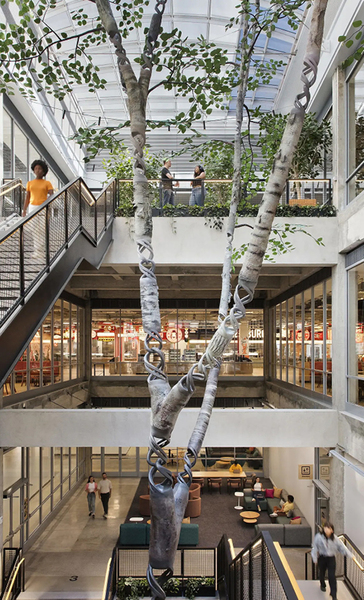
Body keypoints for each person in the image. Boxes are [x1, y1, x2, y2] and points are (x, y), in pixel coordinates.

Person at [312, 522, 353, 600]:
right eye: (325, 528)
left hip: (331, 558)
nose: (326, 529)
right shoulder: (319, 537)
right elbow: (315, 547)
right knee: (322, 573)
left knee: (332, 576)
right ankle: (322, 584)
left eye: (329, 528)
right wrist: (315, 558)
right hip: (322, 557)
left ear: (332, 530)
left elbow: (342, 548)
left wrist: (350, 555)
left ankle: (334, 595)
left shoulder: (335, 539)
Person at [22, 159, 54, 260]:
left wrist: (48, 206)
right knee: (34, 230)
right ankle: (37, 251)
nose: (38, 171)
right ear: (33, 170)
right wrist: (24, 210)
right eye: (36, 169)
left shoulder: (47, 183)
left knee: (42, 230)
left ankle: (41, 251)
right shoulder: (30, 183)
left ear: (44, 171)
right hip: (32, 207)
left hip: (43, 207)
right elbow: (27, 197)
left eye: (40, 169)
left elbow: (52, 195)